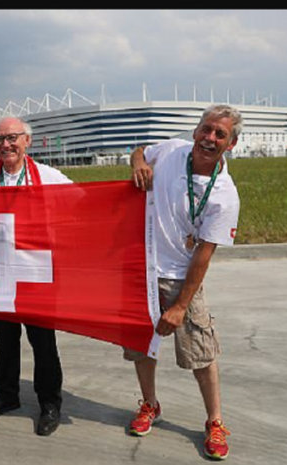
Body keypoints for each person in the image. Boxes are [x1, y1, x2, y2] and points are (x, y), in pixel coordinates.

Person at [125, 104, 242, 460]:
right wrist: (138, 163)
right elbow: (140, 151)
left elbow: (203, 256)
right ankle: (150, 405)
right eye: (206, 129)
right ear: (195, 131)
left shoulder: (224, 195)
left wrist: (179, 306)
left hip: (181, 279)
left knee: (201, 353)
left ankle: (215, 421)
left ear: (231, 144)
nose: (209, 138)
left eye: (219, 134)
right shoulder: (173, 149)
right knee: (142, 347)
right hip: (142, 270)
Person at [0, 117, 72, 436]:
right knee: (6, 340)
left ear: (27, 141)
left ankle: (50, 402)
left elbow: (82, 205)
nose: (6, 145)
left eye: (12, 138)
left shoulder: (50, 177)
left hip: (36, 272)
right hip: (0, 272)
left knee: (43, 342)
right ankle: (6, 395)